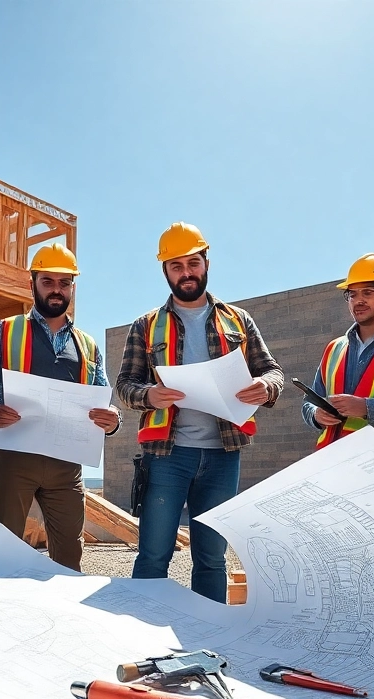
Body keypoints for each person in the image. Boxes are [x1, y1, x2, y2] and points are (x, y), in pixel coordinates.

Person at [115, 222, 284, 602]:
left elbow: (272, 371)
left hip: (223, 455)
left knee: (211, 559)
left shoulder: (238, 321)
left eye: (193, 263)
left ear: (206, 263)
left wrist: (266, 386)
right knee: (153, 555)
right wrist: (149, 395)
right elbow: (125, 385)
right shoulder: (146, 326)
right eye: (176, 266)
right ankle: (142, 627)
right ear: (165, 271)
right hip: (166, 456)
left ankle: (209, 632)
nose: (186, 272)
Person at [0, 243, 121, 570]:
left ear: (72, 287)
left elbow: (101, 397)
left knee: (70, 556)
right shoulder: (5, 331)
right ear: (32, 283)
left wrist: (113, 419)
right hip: (13, 458)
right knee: (3, 552)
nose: (56, 289)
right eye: (48, 281)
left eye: (64, 283)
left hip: (66, 465)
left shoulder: (87, 345)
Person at [302, 254, 374, 454]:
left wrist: (367, 408)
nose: (358, 300)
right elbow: (309, 402)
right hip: (333, 458)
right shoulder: (334, 348)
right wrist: (315, 414)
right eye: (352, 295)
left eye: (368, 293)